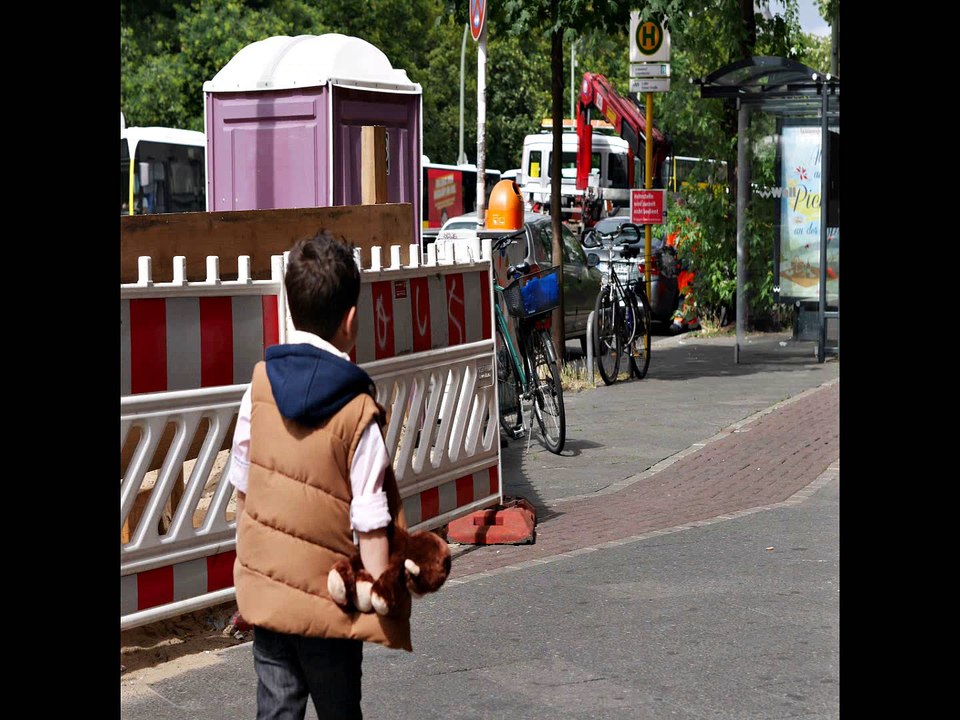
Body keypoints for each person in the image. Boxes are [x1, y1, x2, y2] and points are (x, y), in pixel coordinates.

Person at [226, 230, 412, 720]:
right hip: (330, 604)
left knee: (277, 712)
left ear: (289, 310)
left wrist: (250, 571)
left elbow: (242, 488)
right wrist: (379, 590)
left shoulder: (259, 387)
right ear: (351, 322)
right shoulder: (358, 411)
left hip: (269, 600)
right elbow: (371, 519)